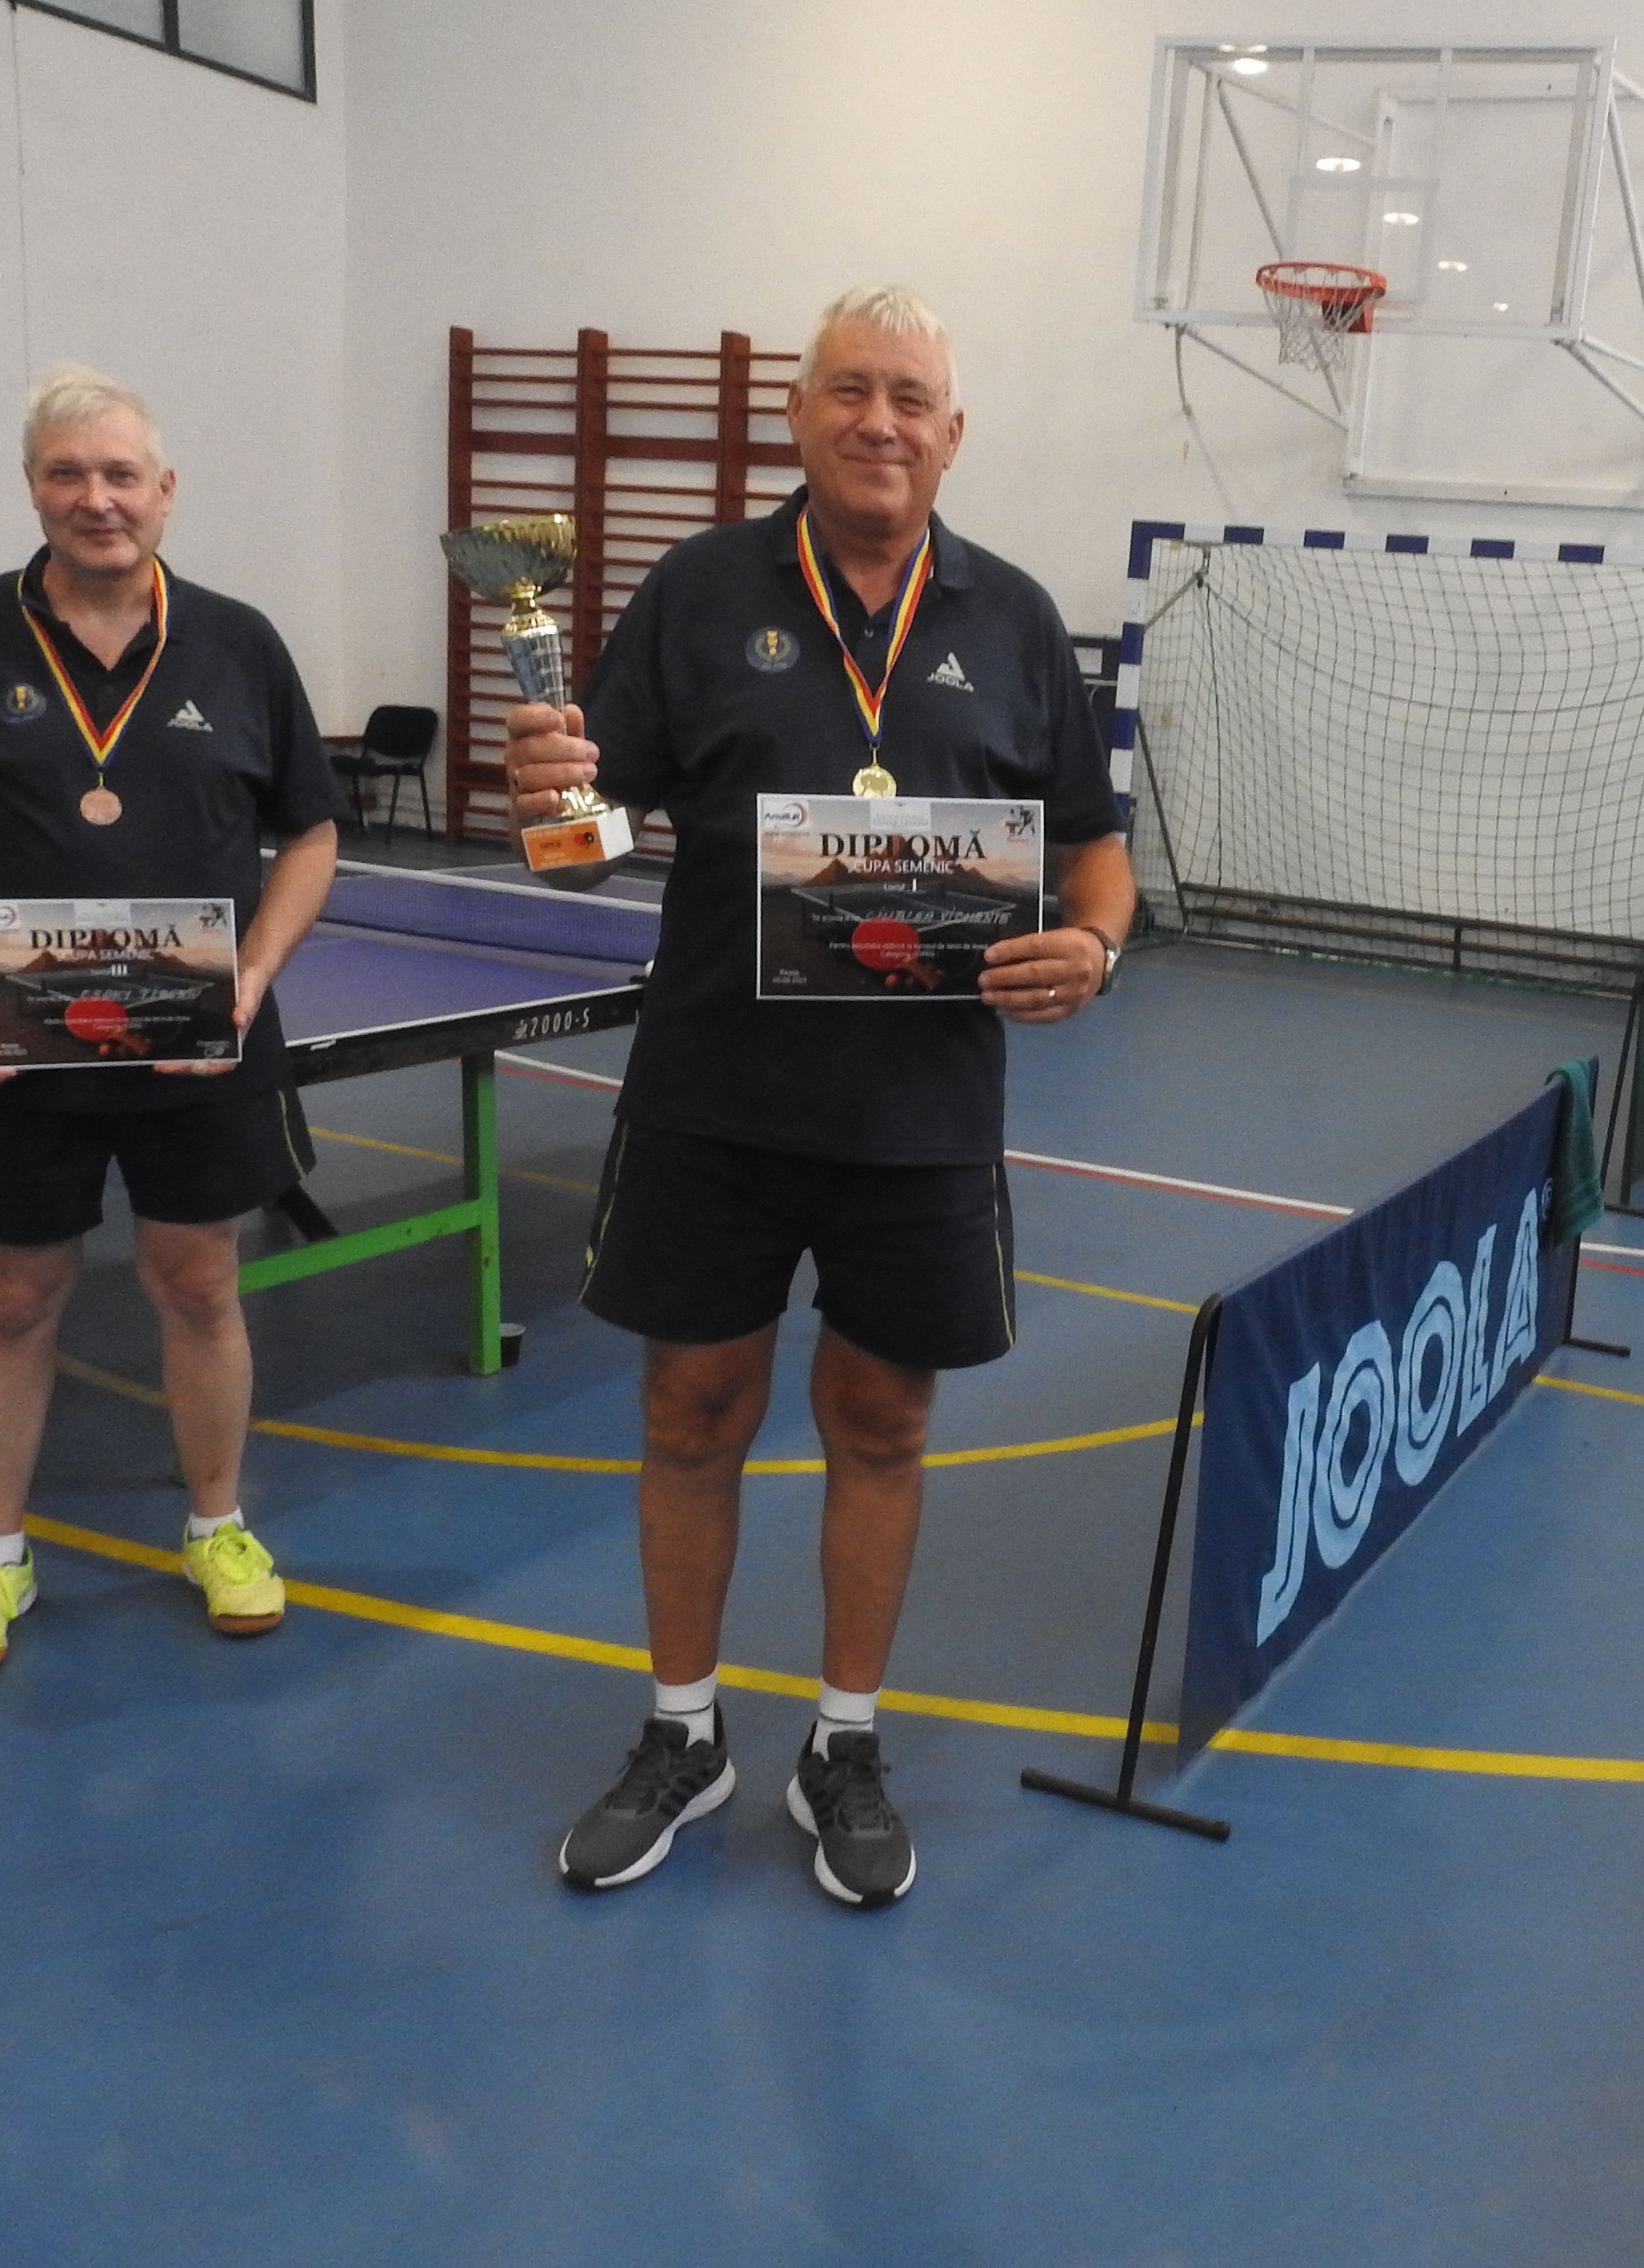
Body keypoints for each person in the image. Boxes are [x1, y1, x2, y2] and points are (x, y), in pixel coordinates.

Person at [509, 286, 1132, 1908]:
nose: (880, 421)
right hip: (712, 1094)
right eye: (850, 389)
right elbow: (589, 832)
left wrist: (1096, 948)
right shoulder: (700, 591)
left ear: (953, 432)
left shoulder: (1013, 617)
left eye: (910, 397)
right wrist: (552, 800)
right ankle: (684, 1733)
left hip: (921, 1115)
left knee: (884, 1422)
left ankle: (843, 1744)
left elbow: (1094, 846)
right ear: (798, 415)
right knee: (687, 1415)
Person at [0, 366, 346, 1680]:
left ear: (165, 490)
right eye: (68, 474)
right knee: (16, 1293)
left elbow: (310, 833)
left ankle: (219, 1526)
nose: (98, 498)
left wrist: (254, 970)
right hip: (17, 1034)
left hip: (201, 1030)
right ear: (32, 487)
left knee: (199, 1280)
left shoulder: (240, 642)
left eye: (121, 474)